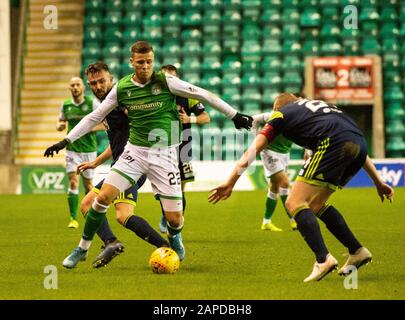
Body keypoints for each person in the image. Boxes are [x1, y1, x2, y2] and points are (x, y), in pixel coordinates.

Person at [44, 41, 253, 267]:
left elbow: (203, 94)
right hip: (135, 152)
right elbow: (94, 117)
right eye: (141, 62)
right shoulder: (123, 88)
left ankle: (174, 236)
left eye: (149, 62)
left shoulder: (166, 82)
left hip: (165, 156)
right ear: (131, 62)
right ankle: (82, 248)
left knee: (175, 219)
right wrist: (66, 140)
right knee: (101, 198)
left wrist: (234, 115)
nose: (145, 66)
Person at [209, 93, 394, 282]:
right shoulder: (319, 107)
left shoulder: (280, 115)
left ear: (276, 109)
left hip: (333, 144)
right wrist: (378, 182)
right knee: (316, 204)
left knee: (294, 202)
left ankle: (323, 259)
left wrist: (230, 182)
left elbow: (252, 150)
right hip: (360, 144)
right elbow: (352, 140)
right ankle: (357, 251)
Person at [74, 62, 170, 268]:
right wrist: (96, 162)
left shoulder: (121, 101)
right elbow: (116, 143)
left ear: (111, 79)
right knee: (87, 205)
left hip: (132, 167)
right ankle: (112, 242)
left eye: (102, 81)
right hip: (120, 166)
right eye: (93, 83)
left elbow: (139, 119)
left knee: (122, 215)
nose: (98, 86)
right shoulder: (107, 106)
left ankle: (165, 248)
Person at [158, 64, 211, 233]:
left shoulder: (188, 97)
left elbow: (206, 118)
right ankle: (165, 214)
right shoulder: (155, 97)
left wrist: (189, 119)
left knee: (180, 187)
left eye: (172, 77)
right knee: (163, 186)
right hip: (161, 145)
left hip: (182, 145)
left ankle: (176, 222)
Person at [56, 77, 100, 229]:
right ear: (69, 88)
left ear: (83, 87)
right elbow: (60, 121)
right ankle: (73, 219)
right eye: (72, 85)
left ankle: (93, 214)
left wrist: (91, 128)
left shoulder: (92, 103)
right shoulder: (66, 105)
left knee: (88, 185)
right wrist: (60, 126)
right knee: (73, 181)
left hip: (89, 149)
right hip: (72, 150)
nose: (75, 87)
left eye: (77, 84)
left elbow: (105, 122)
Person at [252, 112, 297, 232]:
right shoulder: (275, 115)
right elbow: (253, 119)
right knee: (285, 184)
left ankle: (266, 222)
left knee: (274, 186)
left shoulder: (298, 115)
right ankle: (294, 220)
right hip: (269, 151)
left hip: (285, 152)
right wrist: (257, 140)